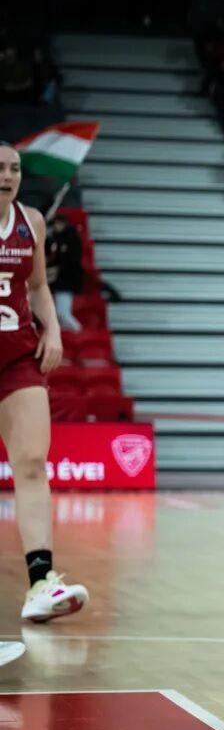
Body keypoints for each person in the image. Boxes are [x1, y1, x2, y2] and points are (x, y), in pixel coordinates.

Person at [0, 142, 89, 622]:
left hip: (16, 355)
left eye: (13, 168)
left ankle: (41, 584)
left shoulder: (29, 220)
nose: (7, 175)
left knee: (32, 464)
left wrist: (52, 328)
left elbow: (36, 286)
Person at [44, 214, 83, 332]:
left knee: (62, 313)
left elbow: (71, 261)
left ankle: (79, 331)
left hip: (67, 281)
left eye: (58, 224)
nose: (56, 226)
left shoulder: (71, 239)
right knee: (59, 314)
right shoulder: (56, 239)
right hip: (60, 281)